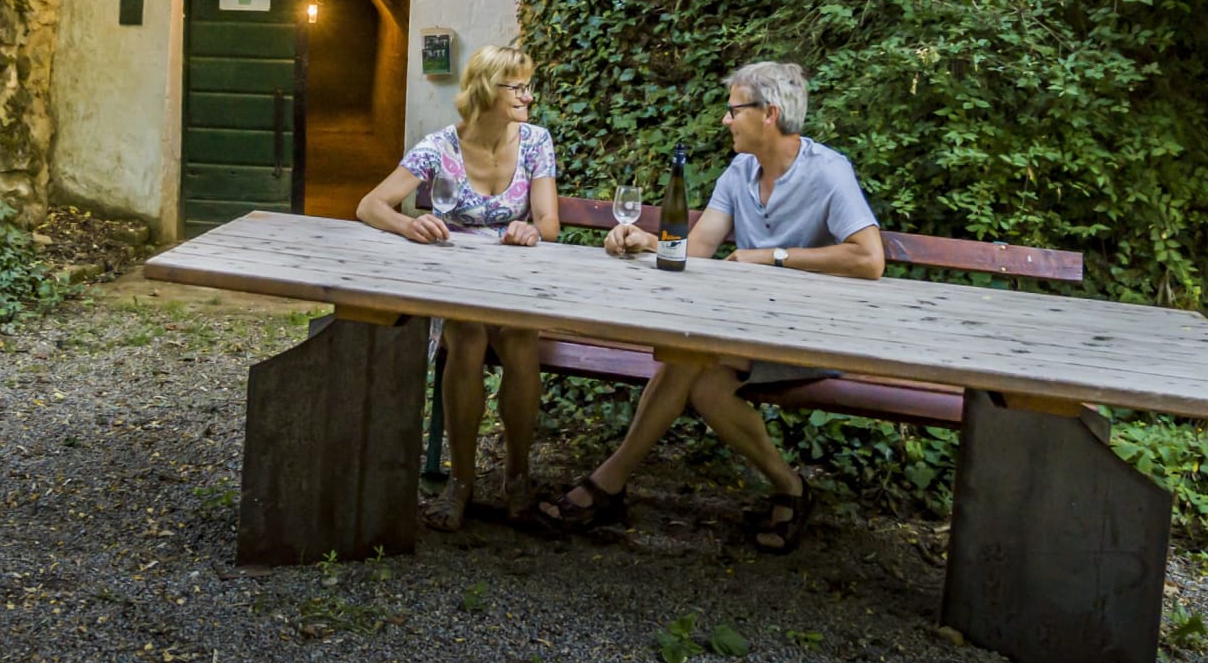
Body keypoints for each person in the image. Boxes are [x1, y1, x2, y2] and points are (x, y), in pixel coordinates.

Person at [540, 61, 882, 553]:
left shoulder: (828, 171)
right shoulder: (740, 171)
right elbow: (698, 249)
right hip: (747, 328)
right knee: (700, 377)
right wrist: (644, 242)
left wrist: (773, 256)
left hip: (811, 331)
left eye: (734, 110)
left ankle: (607, 485)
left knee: (688, 358)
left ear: (770, 114)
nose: (725, 120)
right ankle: (791, 489)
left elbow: (869, 259)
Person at [357, 43, 560, 531]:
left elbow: (549, 222)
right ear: (487, 90)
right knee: (467, 338)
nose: (528, 97)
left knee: (520, 337)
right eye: (517, 87)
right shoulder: (439, 147)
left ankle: (517, 478)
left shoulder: (536, 141)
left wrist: (531, 229)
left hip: (512, 278)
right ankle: (461, 483)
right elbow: (370, 205)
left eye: (528, 87)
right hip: (456, 280)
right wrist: (410, 225)